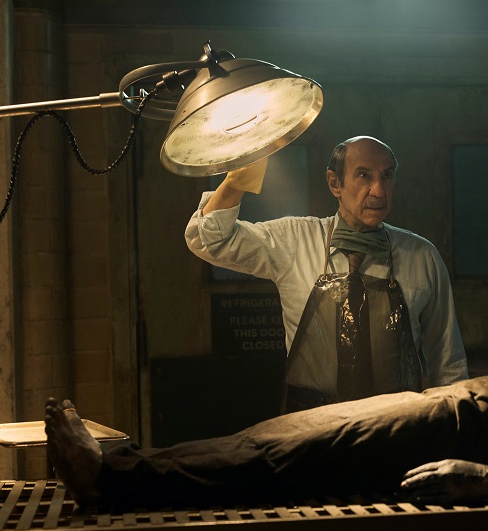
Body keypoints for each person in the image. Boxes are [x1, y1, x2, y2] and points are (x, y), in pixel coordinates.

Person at [45, 363, 488, 511]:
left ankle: (113, 479)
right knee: (282, 436)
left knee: (289, 452)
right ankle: (127, 468)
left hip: (486, 430)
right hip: (476, 403)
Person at [185, 136, 468, 411]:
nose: (379, 191)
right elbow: (209, 240)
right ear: (335, 183)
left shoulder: (423, 257)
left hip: (396, 426)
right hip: (311, 427)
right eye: (364, 176)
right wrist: (236, 181)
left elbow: (448, 364)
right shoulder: (294, 241)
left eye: (387, 176)